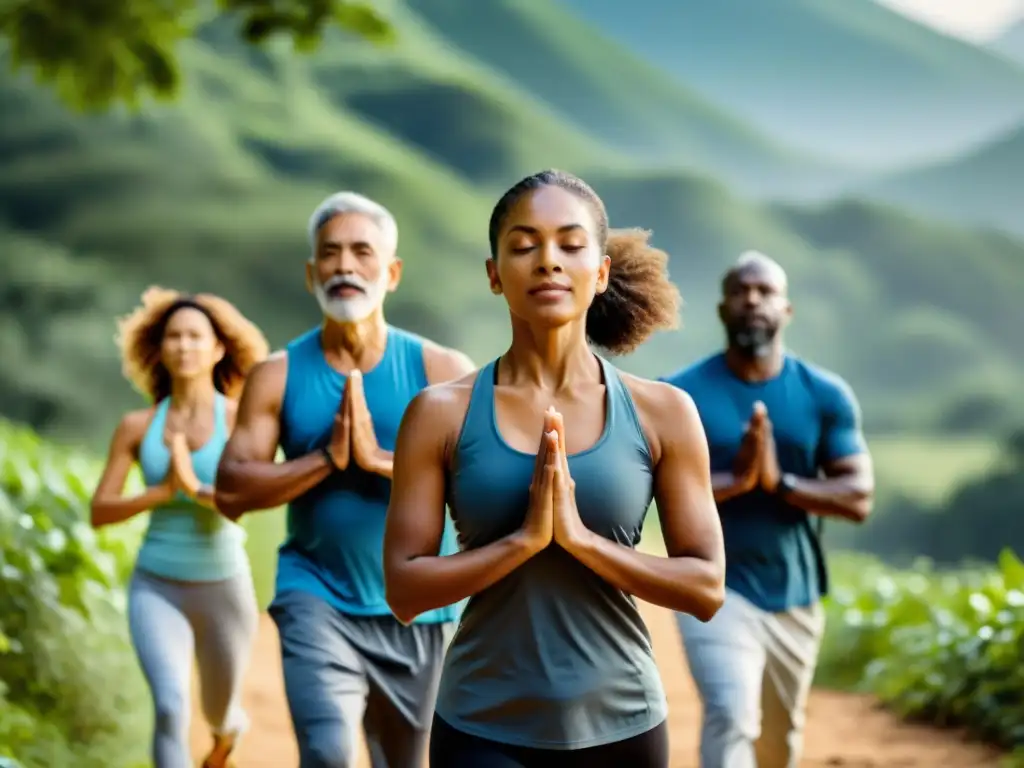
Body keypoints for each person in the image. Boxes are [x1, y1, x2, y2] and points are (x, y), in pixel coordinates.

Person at [382, 169, 727, 768]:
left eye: (570, 245)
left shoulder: (664, 413)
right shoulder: (439, 413)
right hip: (480, 724)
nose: (547, 261)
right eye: (523, 246)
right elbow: (405, 589)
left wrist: (580, 542)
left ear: (601, 272)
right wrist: (524, 542)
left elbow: (706, 586)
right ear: (494, 274)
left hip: (623, 723)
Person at [213, 191, 475, 768]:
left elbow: (483, 486)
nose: (345, 266)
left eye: (362, 251)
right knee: (328, 753)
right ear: (311, 273)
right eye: (329, 254)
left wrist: (382, 460)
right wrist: (325, 460)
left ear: (393, 271)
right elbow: (231, 490)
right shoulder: (277, 374)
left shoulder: (442, 371)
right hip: (316, 596)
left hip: (422, 609)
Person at [661, 251, 876, 768]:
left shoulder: (824, 394)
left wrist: (781, 483)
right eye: (740, 290)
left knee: (778, 743)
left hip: (795, 595)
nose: (752, 299)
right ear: (722, 308)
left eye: (765, 291)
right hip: (713, 584)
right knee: (732, 715)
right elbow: (657, 491)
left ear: (787, 309)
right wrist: (736, 482)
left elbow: (858, 496)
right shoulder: (679, 395)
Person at [90, 287, 270, 768]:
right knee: (170, 706)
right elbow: (100, 510)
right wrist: (162, 492)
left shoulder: (238, 419)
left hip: (224, 588)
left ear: (217, 349)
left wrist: (197, 489)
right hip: (157, 585)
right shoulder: (137, 426)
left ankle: (226, 736)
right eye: (173, 337)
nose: (184, 346)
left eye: (195, 336)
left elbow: (249, 501)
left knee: (218, 710)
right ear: (159, 348)